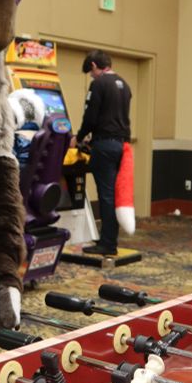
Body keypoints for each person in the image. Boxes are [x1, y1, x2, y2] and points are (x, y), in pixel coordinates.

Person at [74, 50, 131, 256]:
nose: (91, 76)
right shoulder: (124, 85)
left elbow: (91, 117)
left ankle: (108, 243)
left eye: (90, 72)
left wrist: (79, 137)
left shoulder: (98, 84)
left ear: (93, 66)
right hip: (120, 145)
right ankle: (109, 238)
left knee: (106, 195)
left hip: (104, 146)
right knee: (113, 194)